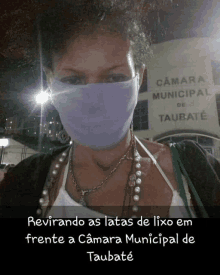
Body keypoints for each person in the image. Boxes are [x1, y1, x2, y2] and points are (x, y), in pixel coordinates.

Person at [0, 0, 220, 218]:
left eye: (115, 77)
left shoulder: (197, 171)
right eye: (74, 79)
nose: (94, 100)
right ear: (50, 83)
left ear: (139, 78)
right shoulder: (23, 182)